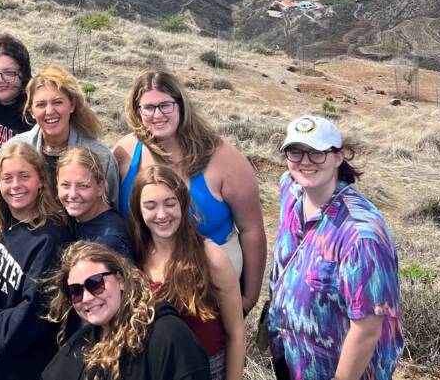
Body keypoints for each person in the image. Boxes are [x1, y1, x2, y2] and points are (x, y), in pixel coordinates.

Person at [114, 71, 266, 314]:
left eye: (165, 105)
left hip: (210, 286)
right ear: (136, 110)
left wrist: (249, 297)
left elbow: (252, 230)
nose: (157, 115)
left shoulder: (224, 159)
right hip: (143, 282)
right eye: (149, 107)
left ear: (181, 105)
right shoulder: (125, 152)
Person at [267, 116, 403, 380]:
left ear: (338, 158)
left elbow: (367, 329)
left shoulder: (361, 235)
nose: (305, 161)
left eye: (317, 153)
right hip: (292, 358)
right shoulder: (290, 189)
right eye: (295, 152)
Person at [0, 143, 71, 380]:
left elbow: (37, 309)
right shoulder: (4, 225)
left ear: (41, 180)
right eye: (7, 178)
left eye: (24, 176)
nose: (15, 186)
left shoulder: (50, 237)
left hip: (22, 366)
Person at [130, 165, 245, 380]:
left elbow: (236, 333)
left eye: (170, 203)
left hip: (206, 369)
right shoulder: (135, 254)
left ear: (183, 204)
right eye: (150, 206)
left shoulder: (211, 258)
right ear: (138, 210)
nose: (162, 214)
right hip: (155, 369)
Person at [42, 241, 211, 380]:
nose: (86, 298)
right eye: (76, 291)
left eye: (95, 283)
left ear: (120, 279)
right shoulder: (81, 344)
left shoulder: (167, 333)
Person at [7, 65, 119, 206]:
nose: (50, 111)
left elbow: (112, 209)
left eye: (58, 102)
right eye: (41, 104)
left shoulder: (100, 157)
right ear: (31, 111)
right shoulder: (14, 149)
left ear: (72, 105)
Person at [57, 147, 133, 260]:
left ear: (100, 187)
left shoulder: (109, 241)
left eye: (83, 186)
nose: (72, 194)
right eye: (65, 185)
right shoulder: (72, 217)